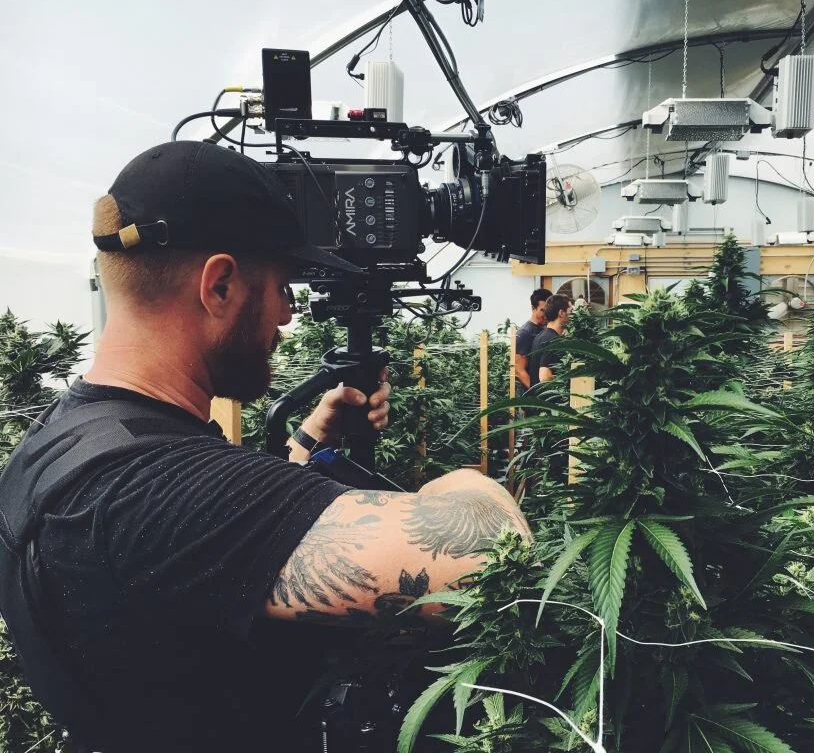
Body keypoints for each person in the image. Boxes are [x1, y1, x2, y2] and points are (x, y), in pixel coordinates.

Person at [0, 141, 531, 753]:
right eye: (282, 285)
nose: (286, 314)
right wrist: (462, 480)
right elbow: (492, 556)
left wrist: (306, 443)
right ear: (220, 285)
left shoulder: (62, 439)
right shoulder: (154, 488)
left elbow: (196, 552)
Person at [528, 294, 571, 387]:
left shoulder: (541, 336)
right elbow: (545, 377)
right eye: (570, 311)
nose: (572, 315)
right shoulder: (553, 340)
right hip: (549, 396)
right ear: (561, 313)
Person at [514, 287, 551, 392]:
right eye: (542, 310)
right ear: (533, 308)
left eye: (548, 310)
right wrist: (537, 392)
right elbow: (519, 370)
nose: (545, 314)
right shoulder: (525, 333)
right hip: (532, 396)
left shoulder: (544, 329)